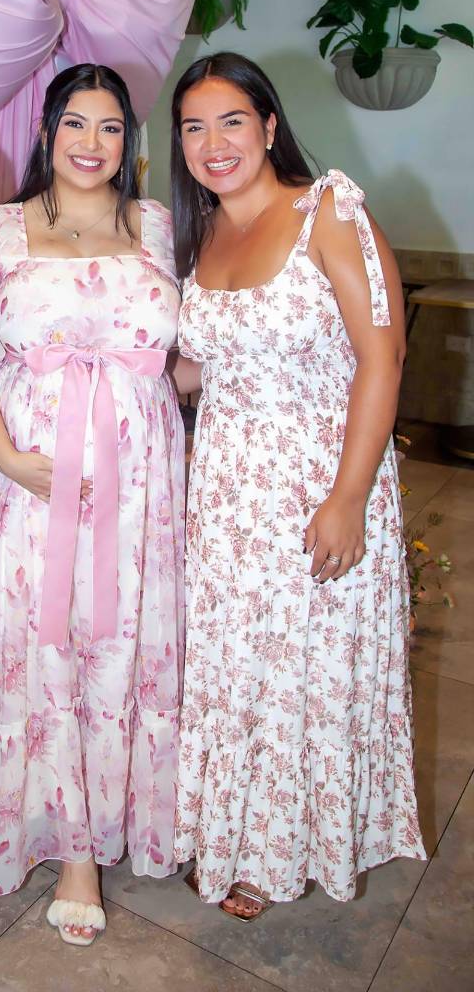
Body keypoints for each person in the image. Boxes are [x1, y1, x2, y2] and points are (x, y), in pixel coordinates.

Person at [0, 63, 185, 945]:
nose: (91, 144)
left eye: (111, 128)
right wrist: (5, 456)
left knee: (118, 644)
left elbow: (189, 354)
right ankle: (70, 849)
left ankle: (120, 825)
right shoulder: (2, 227)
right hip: (26, 477)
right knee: (39, 644)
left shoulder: (155, 226)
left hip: (136, 482)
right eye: (76, 123)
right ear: (47, 131)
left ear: (129, 142)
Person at [171, 53, 425, 920]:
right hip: (227, 496)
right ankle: (229, 826)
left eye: (232, 121)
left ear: (270, 127)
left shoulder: (328, 212)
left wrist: (349, 496)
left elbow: (382, 355)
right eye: (194, 127)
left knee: (300, 674)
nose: (214, 144)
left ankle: (280, 851)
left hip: (320, 481)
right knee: (236, 667)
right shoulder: (199, 233)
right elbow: (193, 368)